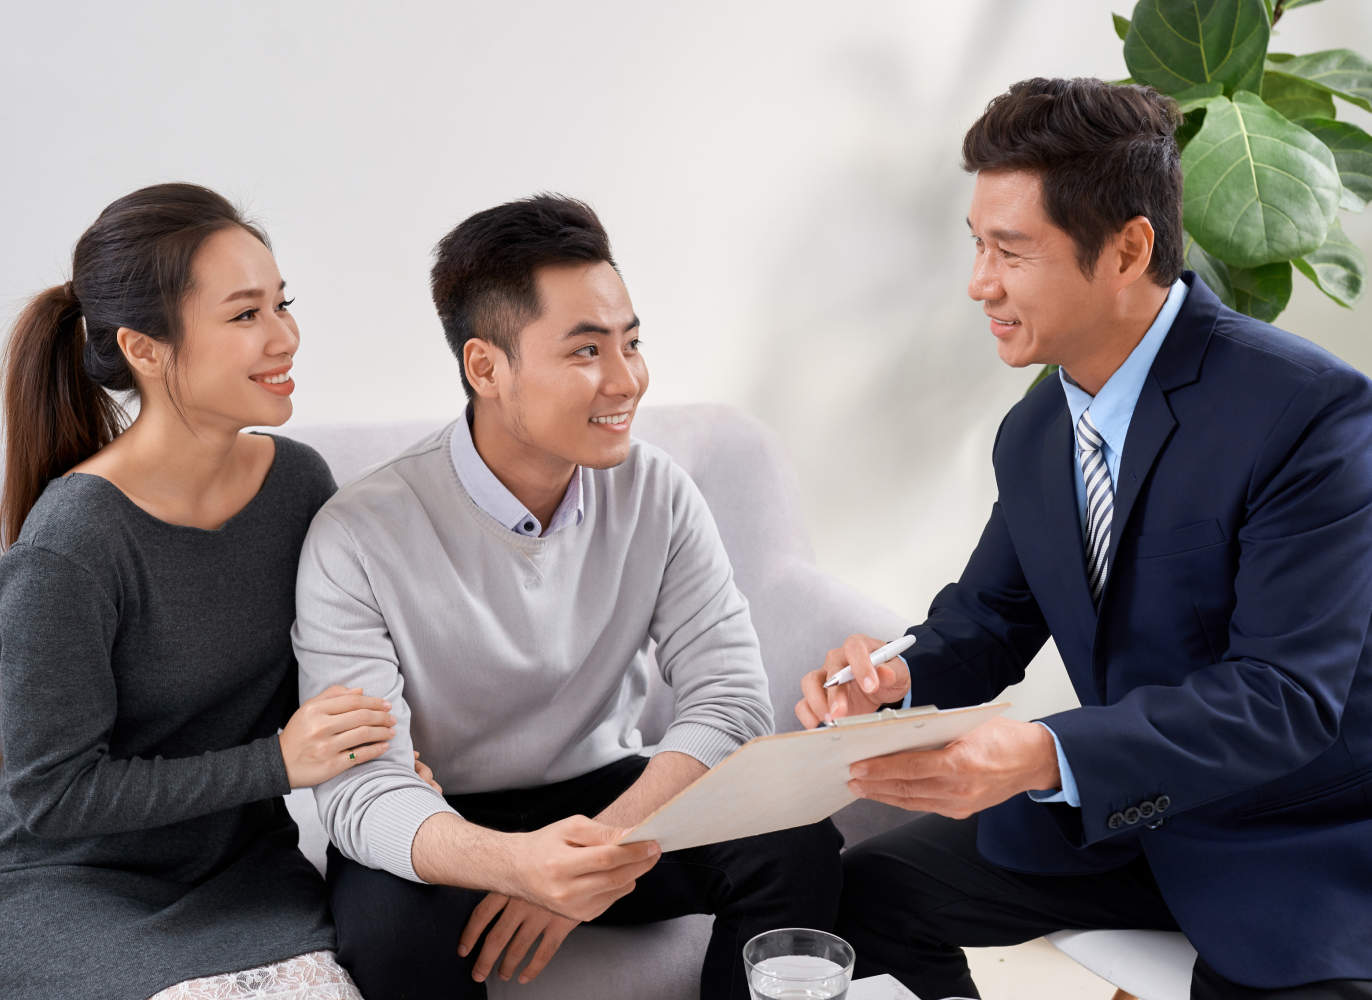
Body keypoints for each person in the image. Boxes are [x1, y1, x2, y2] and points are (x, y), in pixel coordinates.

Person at [797, 78, 1372, 999]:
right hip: (1127, 816)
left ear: (1128, 249)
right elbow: (988, 619)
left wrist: (1040, 752)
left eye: (1011, 251)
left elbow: (1283, 697)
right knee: (869, 892)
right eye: (978, 245)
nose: (979, 283)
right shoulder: (1036, 433)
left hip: (1292, 841)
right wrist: (893, 674)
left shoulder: (1305, 412)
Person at [294, 194, 844, 1000]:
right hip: (443, 815)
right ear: (486, 366)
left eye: (631, 343)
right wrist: (520, 869)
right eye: (586, 351)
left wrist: (604, 854)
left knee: (794, 841)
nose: (627, 381)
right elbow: (360, 788)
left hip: (609, 794)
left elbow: (729, 706)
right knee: (390, 938)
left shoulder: (658, 492)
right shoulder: (358, 533)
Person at [0, 183, 422, 999]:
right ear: (145, 349)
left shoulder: (297, 484)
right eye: (245, 316)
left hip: (244, 875)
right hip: (75, 891)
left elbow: (331, 684)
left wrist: (395, 758)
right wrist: (275, 763)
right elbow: (50, 797)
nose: (285, 336)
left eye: (282, 304)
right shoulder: (73, 546)